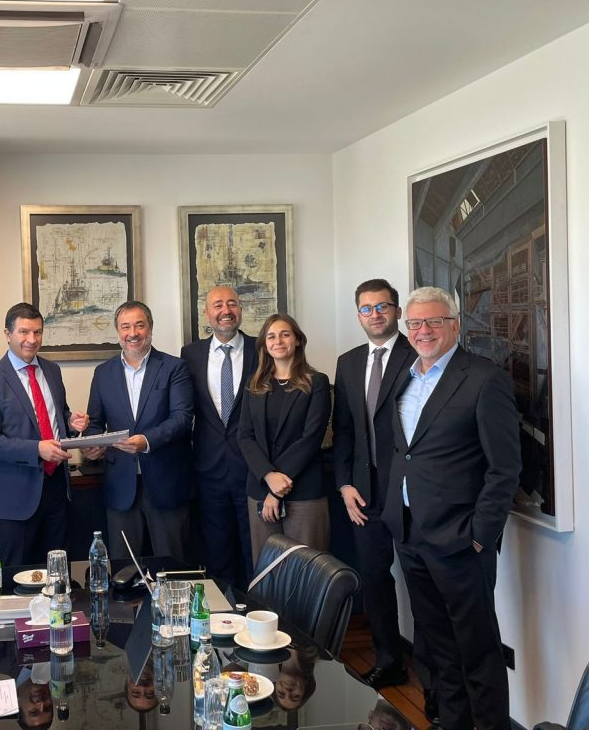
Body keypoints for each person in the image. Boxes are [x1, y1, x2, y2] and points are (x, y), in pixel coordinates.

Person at [383, 286, 520, 730]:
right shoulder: (405, 376)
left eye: (433, 321)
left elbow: (505, 468)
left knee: (478, 650)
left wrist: (481, 535)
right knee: (438, 648)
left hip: (461, 539)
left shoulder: (483, 379)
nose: (423, 330)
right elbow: (406, 452)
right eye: (414, 323)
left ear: (455, 326)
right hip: (410, 533)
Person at [333, 279, 429, 694]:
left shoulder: (418, 354)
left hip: (408, 493)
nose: (374, 315)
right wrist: (344, 484)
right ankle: (389, 662)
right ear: (358, 314)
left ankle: (432, 684)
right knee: (374, 579)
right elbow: (344, 430)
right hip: (364, 493)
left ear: (397, 312)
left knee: (421, 587)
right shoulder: (348, 362)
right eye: (366, 308)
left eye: (382, 307)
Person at [0, 302, 89, 566]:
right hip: (16, 501)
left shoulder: (52, 371)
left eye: (37, 332)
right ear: (7, 334)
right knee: (16, 577)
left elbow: (57, 416)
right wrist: (37, 449)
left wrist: (72, 423)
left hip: (57, 490)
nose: (31, 339)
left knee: (57, 573)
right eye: (24, 332)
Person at [84, 301, 193, 561]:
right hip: (120, 485)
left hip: (166, 482)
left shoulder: (174, 367)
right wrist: (90, 446)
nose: (132, 333)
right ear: (118, 332)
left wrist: (146, 441)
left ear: (150, 328)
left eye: (139, 325)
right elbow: (95, 423)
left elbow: (182, 418)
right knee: (123, 568)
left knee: (171, 566)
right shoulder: (103, 373)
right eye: (126, 327)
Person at [180, 285, 257, 587]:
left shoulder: (261, 349)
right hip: (208, 471)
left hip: (252, 470)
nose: (226, 311)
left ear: (240, 309)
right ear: (206, 313)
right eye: (218, 305)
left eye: (232, 304)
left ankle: (257, 611)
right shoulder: (190, 354)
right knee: (217, 554)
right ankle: (224, 612)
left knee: (255, 553)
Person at [238, 313, 331, 564]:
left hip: (304, 492)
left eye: (285, 334)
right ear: (264, 345)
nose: (278, 341)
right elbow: (244, 436)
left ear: (298, 340)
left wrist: (278, 488)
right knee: (267, 571)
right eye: (271, 336)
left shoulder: (317, 382)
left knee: (307, 571)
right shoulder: (254, 385)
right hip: (260, 490)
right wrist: (269, 476)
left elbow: (311, 438)